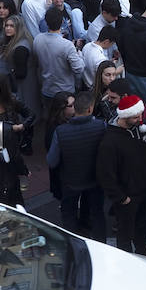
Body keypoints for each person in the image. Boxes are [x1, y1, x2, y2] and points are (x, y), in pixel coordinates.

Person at [96, 93, 146, 257]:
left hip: (144, 191)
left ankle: (143, 253)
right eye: (136, 116)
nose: (140, 119)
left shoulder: (141, 130)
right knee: (125, 234)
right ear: (126, 116)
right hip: (127, 198)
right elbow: (105, 174)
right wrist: (121, 198)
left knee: (142, 229)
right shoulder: (110, 142)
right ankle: (127, 260)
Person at [48, 91, 107, 239]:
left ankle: (73, 245)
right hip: (94, 180)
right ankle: (101, 246)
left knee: (69, 214)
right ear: (90, 109)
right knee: (97, 214)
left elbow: (52, 161)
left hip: (70, 181)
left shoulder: (61, 131)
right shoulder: (101, 126)